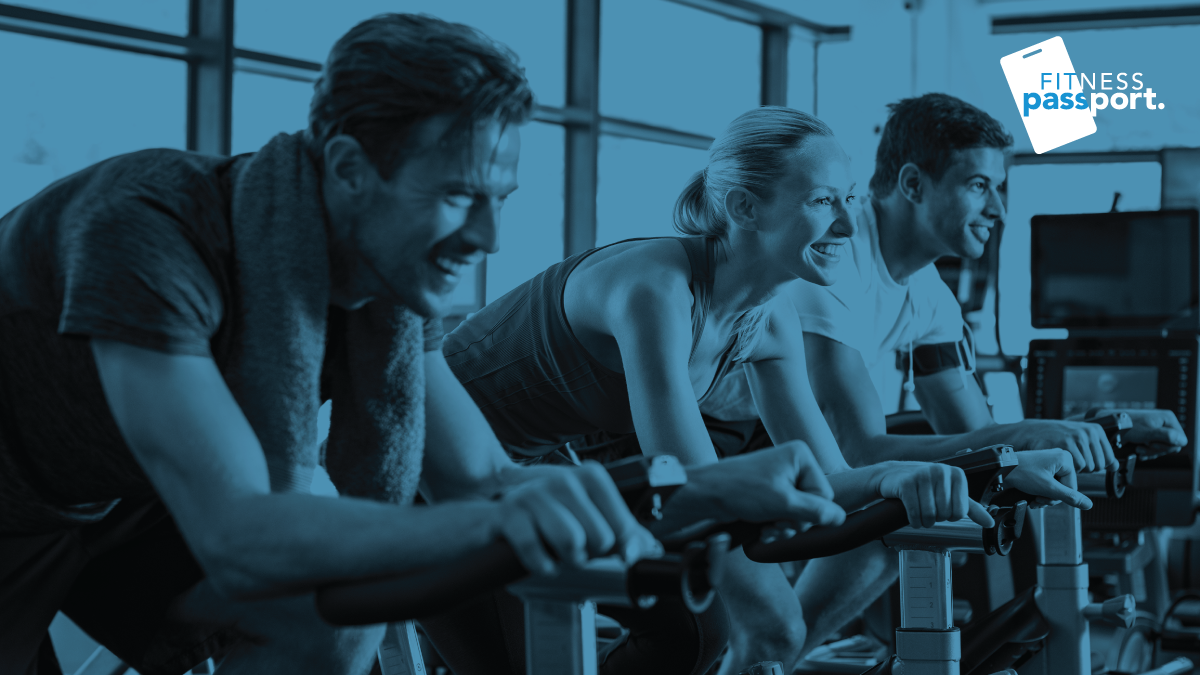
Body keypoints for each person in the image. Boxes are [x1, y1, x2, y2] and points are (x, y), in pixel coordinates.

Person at [0, 15, 851, 675]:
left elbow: (483, 479)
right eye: (455, 194)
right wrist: (513, 519)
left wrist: (696, 488)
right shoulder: (145, 232)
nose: (484, 235)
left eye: (500, 198)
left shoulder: (385, 284)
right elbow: (242, 534)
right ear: (345, 167)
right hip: (18, 499)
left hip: (118, 496)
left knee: (329, 618)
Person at [440, 106, 1088, 674]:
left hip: (546, 467)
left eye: (845, 200)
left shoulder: (770, 316)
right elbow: (690, 485)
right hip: (442, 457)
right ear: (746, 207)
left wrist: (944, 471)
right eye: (821, 201)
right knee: (656, 633)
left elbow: (834, 474)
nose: (843, 226)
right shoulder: (655, 289)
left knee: (709, 628)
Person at [697, 93, 1189, 656]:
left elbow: (979, 439)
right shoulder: (829, 255)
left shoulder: (931, 297)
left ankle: (777, 656)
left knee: (910, 518)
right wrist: (1026, 436)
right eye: (979, 186)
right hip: (711, 447)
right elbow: (861, 450)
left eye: (998, 189)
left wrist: (1102, 428)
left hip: (782, 446)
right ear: (912, 184)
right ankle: (773, 651)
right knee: (774, 629)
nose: (999, 210)